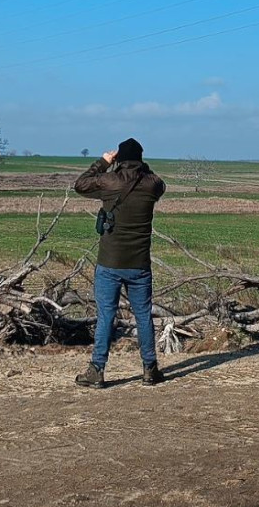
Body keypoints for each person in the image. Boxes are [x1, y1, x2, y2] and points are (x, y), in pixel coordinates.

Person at [72, 138, 166, 388]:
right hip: (139, 264)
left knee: (106, 316)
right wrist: (142, 168)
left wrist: (103, 162)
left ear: (120, 159)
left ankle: (97, 370)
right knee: (143, 315)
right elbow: (159, 183)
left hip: (109, 262)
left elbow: (80, 185)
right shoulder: (152, 184)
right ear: (142, 159)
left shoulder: (109, 182)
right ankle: (149, 369)